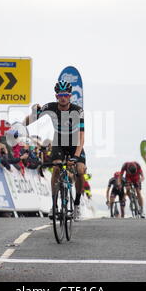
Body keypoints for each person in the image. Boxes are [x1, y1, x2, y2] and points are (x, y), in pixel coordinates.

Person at [23, 81, 86, 221]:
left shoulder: (77, 111)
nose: (63, 98)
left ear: (70, 96)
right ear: (56, 96)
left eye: (66, 95)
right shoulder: (49, 107)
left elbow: (81, 137)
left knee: (80, 170)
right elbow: (32, 119)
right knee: (56, 168)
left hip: (75, 143)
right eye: (60, 95)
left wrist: (76, 157)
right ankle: (54, 205)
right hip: (59, 142)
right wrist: (26, 122)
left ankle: (76, 205)